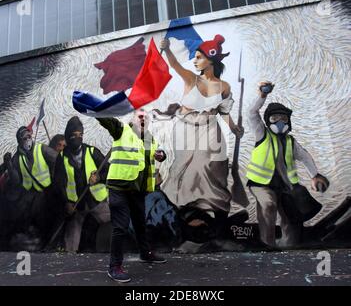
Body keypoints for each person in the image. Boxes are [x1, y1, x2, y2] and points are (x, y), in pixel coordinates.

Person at [158, 35, 244, 241]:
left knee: (212, 169)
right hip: (186, 130)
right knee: (185, 170)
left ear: (211, 60)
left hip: (210, 130)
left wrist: (234, 129)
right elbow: (175, 65)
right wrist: (167, 49)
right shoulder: (191, 78)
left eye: (199, 57)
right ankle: (183, 219)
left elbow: (224, 112)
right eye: (195, 57)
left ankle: (218, 218)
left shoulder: (224, 86)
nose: (195, 61)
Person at [246, 81, 330, 248]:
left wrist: (314, 175)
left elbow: (305, 157)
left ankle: (289, 245)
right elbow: (251, 112)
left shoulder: (291, 141)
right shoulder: (262, 134)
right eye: (275, 118)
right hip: (261, 183)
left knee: (290, 216)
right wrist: (262, 95)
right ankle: (267, 245)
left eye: (284, 119)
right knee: (268, 205)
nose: (280, 122)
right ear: (267, 121)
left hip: (285, 186)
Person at [97, 108, 167, 283]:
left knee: (140, 224)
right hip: (119, 188)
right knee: (120, 227)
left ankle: (145, 254)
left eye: (146, 117)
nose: (143, 119)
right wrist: (98, 108)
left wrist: (161, 155)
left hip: (137, 190)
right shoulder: (121, 130)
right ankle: (114, 267)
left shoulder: (150, 138)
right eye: (140, 116)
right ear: (133, 119)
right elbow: (106, 120)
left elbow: (158, 153)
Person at [54, 116, 110, 252]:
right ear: (68, 136)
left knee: (114, 224)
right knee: (70, 247)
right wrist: (66, 203)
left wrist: (99, 178)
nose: (78, 138)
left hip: (97, 202)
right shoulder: (62, 158)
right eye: (74, 135)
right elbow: (59, 183)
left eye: (80, 135)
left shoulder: (92, 152)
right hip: (76, 206)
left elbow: (109, 172)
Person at [1, 126, 59, 246]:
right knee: (26, 212)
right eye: (24, 138)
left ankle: (49, 240)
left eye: (29, 136)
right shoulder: (17, 157)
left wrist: (55, 178)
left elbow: (58, 161)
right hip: (30, 192)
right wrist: (9, 165)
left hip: (47, 189)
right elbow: (16, 180)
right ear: (19, 141)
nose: (28, 139)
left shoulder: (41, 149)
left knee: (48, 212)